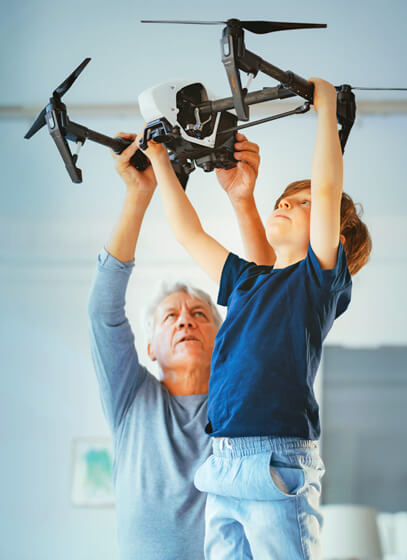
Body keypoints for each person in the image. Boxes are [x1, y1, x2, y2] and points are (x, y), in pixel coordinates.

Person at [143, 77, 372, 559]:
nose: (288, 201)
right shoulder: (247, 280)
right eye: (285, 198)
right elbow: (189, 233)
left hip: (276, 459)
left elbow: (329, 188)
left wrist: (326, 107)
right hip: (222, 461)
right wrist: (161, 161)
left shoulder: (317, 281)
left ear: (334, 239)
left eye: (304, 203)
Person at [88, 131, 269, 560]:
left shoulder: (241, 401)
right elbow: (103, 312)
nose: (186, 319)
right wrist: (138, 194)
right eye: (171, 317)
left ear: (223, 336)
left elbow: (265, 308)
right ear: (150, 347)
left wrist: (243, 200)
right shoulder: (131, 398)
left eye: (200, 314)